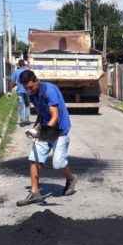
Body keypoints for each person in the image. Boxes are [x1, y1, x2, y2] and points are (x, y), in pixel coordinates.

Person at [16, 69, 77, 206]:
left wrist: (40, 131)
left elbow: (54, 116)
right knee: (34, 158)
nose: (28, 90)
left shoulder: (49, 90)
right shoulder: (32, 94)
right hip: (46, 126)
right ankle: (35, 192)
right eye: (26, 88)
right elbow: (42, 113)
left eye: (30, 87)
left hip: (60, 129)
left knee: (58, 163)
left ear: (36, 80)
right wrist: (35, 128)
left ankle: (71, 179)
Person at [11, 59, 30, 126]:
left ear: (19, 65)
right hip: (27, 91)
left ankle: (22, 121)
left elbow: (13, 81)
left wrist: (12, 87)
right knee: (27, 105)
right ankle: (27, 120)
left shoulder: (16, 72)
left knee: (21, 105)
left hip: (19, 91)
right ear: (24, 65)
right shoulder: (28, 71)